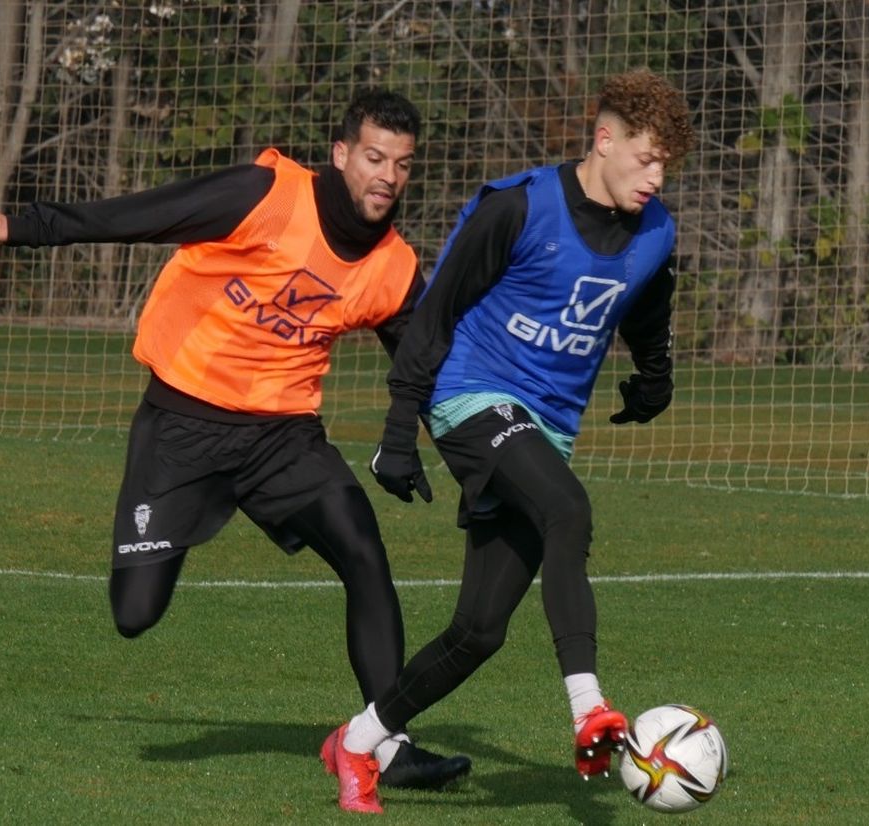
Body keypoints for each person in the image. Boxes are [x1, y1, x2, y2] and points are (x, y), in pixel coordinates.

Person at [0, 89, 471, 792]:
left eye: (402, 165)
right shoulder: (267, 194)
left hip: (282, 437)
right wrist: (25, 227)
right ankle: (171, 530)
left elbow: (427, 369)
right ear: (342, 153)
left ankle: (385, 744)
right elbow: (146, 214)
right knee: (135, 615)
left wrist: (485, 454)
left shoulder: (395, 269)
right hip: (183, 426)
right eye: (375, 157)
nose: (387, 177)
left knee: (363, 550)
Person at [320, 69, 696, 814]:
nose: (656, 177)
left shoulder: (656, 232)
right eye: (646, 159)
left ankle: (357, 744)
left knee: (479, 631)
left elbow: (646, 307)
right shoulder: (518, 207)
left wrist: (654, 378)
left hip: (547, 427)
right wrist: (400, 431)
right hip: (472, 394)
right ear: (605, 138)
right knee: (569, 512)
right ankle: (590, 708)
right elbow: (432, 318)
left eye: (666, 166)